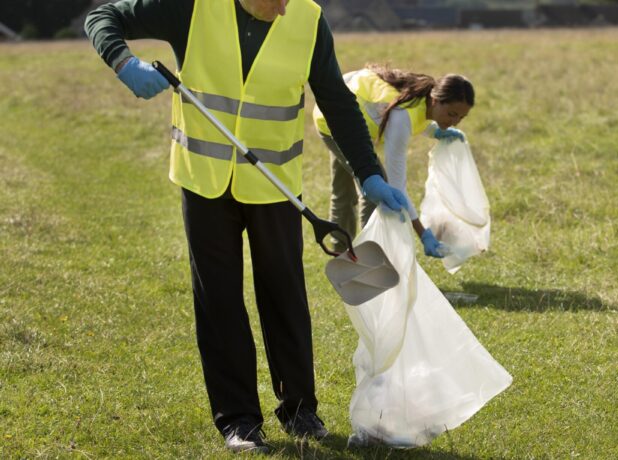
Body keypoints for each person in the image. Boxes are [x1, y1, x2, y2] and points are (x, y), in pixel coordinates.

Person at [85, 0, 411, 453]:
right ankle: (238, 421)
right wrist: (123, 63)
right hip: (205, 181)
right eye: (276, 0)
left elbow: (335, 98)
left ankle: (300, 410)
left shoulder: (307, 17)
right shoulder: (192, 7)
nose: (283, 11)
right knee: (218, 301)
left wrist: (369, 173)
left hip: (275, 186)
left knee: (286, 297)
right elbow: (103, 17)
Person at [313, 65, 474, 258]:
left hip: (338, 105)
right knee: (375, 188)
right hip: (332, 120)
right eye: (452, 114)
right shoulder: (402, 115)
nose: (455, 122)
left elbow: (415, 118)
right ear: (435, 100)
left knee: (344, 192)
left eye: (461, 117)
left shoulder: (421, 98)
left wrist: (435, 131)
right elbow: (397, 188)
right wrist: (423, 235)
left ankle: (342, 254)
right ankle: (369, 256)